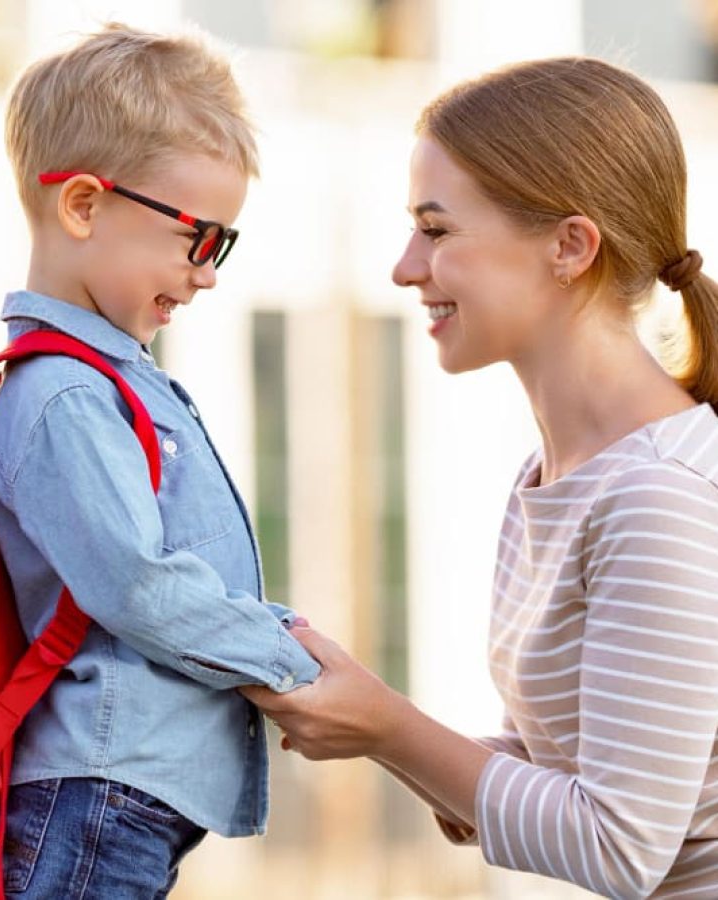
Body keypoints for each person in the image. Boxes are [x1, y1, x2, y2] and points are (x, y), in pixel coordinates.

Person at [241, 56, 718, 899]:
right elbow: (568, 766)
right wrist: (368, 718)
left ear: (570, 246)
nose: (404, 267)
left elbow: (620, 847)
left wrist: (386, 727)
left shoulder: (656, 497)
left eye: (437, 229)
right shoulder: (552, 473)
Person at [0, 22, 319, 899]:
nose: (206, 274)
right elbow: (134, 583)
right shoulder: (64, 396)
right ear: (84, 205)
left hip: (119, 801)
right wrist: (285, 657)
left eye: (221, 246)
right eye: (197, 237)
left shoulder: (111, 382)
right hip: (97, 797)